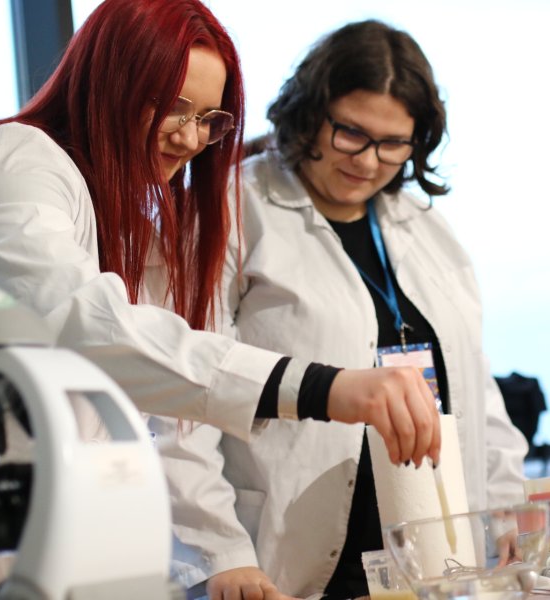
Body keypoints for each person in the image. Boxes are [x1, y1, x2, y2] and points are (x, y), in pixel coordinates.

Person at [157, 19, 529, 599]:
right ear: (310, 113)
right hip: (283, 564)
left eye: (393, 143)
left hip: (436, 559)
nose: (369, 162)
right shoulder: (230, 208)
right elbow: (180, 399)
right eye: (352, 133)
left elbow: (473, 382)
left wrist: (506, 504)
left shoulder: (424, 225)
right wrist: (219, 553)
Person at [0, 0, 441, 477]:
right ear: (109, 83)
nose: (190, 140)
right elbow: (82, 323)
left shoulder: (121, 218)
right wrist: (320, 389)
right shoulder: (21, 160)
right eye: (173, 107)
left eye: (208, 118)